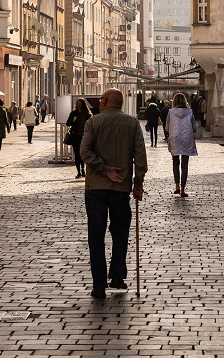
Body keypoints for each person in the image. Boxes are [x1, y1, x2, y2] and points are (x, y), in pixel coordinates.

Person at [80, 88, 146, 299]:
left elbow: (84, 152)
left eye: (101, 99)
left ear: (107, 101)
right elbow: (140, 157)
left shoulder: (93, 122)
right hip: (121, 188)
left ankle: (99, 284)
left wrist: (103, 168)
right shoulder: (132, 123)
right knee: (120, 233)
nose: (99, 102)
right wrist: (138, 183)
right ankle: (117, 276)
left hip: (96, 187)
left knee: (96, 235)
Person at [166, 93, 197, 197]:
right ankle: (183, 189)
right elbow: (194, 128)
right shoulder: (190, 112)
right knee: (185, 165)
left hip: (175, 139)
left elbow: (166, 127)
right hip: (186, 138)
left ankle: (177, 187)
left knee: (175, 163)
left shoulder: (171, 112)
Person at [66, 98, 91, 177]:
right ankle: (78, 172)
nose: (78, 106)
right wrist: (73, 120)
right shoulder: (74, 113)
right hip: (75, 136)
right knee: (77, 154)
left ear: (83, 105)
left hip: (84, 136)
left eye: (80, 104)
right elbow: (68, 123)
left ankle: (83, 169)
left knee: (83, 154)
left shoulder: (87, 114)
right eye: (77, 104)